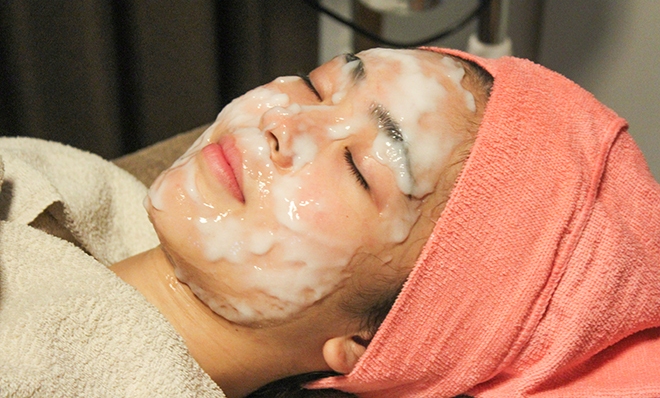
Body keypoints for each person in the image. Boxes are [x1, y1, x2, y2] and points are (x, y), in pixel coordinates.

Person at [0, 47, 657, 398]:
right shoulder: (58, 190)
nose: (284, 122)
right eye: (320, 85)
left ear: (371, 344)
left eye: (358, 170)